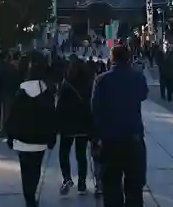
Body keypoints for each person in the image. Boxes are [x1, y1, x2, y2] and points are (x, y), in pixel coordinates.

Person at [92, 45, 148, 207]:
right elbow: (143, 94)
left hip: (110, 142)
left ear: (111, 58)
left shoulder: (101, 80)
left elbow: (95, 111)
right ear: (129, 59)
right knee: (134, 187)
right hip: (133, 140)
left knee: (111, 186)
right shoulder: (137, 77)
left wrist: (96, 139)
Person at [6, 51, 57, 207]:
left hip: (22, 139)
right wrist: (52, 138)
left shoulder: (21, 93)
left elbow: (13, 116)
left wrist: (10, 136)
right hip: (40, 140)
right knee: (36, 169)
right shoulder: (47, 93)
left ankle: (28, 196)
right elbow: (51, 118)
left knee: (25, 169)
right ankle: (32, 192)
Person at [56, 56, 93, 196]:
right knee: (81, 155)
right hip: (83, 125)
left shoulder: (66, 83)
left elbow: (59, 106)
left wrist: (57, 124)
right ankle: (82, 184)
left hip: (67, 126)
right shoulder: (87, 84)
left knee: (64, 153)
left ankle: (67, 178)